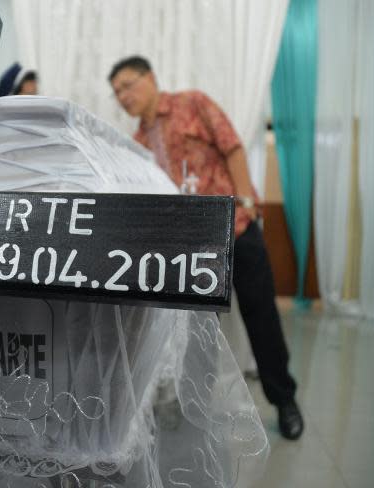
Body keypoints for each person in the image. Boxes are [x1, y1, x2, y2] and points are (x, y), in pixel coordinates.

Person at [108, 55, 304, 440]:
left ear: (150, 77)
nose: (123, 96)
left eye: (128, 85)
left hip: (237, 228)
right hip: (193, 249)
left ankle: (284, 400)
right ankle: (196, 408)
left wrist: (246, 203)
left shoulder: (193, 103)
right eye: (117, 93)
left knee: (261, 317)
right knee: (198, 333)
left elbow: (231, 146)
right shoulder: (137, 143)